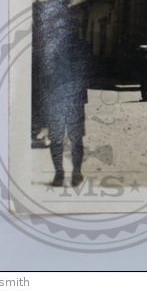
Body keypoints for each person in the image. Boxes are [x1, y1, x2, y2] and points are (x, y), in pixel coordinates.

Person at [46, 25, 92, 187]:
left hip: (58, 98)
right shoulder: (83, 48)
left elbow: (46, 74)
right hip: (74, 100)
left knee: (56, 139)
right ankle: (76, 173)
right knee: (75, 138)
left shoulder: (53, 48)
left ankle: (60, 174)